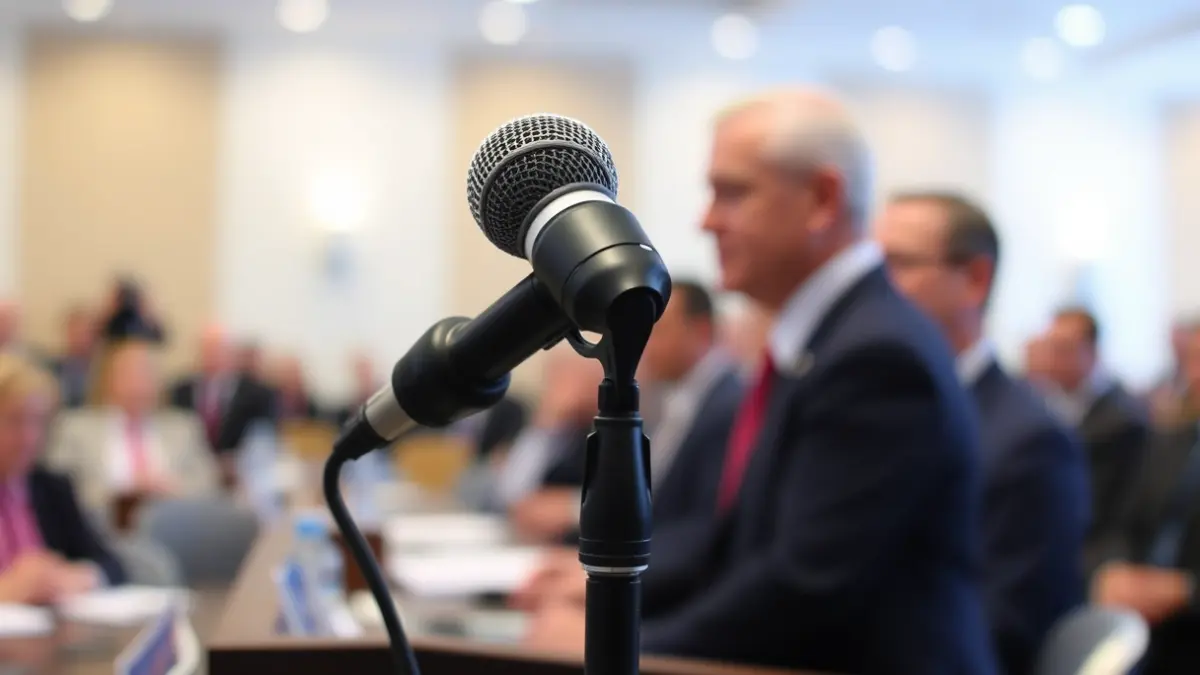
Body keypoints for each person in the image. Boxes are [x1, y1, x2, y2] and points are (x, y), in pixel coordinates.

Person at [528, 88, 995, 673]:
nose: (707, 220)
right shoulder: (834, 337)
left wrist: (628, 646)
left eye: (733, 192)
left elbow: (805, 586)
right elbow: (735, 542)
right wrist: (613, 583)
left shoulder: (876, 356)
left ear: (823, 200)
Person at [877, 191, 1090, 675]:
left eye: (899, 265)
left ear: (974, 279)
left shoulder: (1031, 440)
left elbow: (1004, 628)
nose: (877, 288)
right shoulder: (882, 410)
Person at [512, 281, 743, 615]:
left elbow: (706, 529)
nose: (644, 345)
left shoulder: (727, 404)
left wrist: (610, 572)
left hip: (676, 600)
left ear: (701, 331)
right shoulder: (685, 400)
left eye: (657, 332)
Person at [1092, 326, 1200, 673]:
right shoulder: (1172, 441)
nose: (1195, 375)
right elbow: (1121, 522)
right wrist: (1113, 569)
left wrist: (1187, 592)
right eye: (1190, 361)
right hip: (1141, 629)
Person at [0, 353, 125, 603]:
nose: (29, 437)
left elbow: (112, 565)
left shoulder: (51, 487)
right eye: (15, 420)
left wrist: (75, 577)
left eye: (38, 422)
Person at [45, 340, 218, 516]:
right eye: (128, 374)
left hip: (174, 524)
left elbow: (209, 484)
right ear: (108, 380)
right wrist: (123, 491)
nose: (137, 383)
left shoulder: (184, 427)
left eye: (146, 374)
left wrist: (172, 488)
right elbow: (57, 490)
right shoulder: (75, 427)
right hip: (102, 526)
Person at [1039, 307, 1149, 570]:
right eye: (1050, 347)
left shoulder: (1122, 421)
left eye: (1063, 349)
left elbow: (1115, 516)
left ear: (1092, 352)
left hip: (1092, 555)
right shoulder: (1042, 404)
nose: (1052, 359)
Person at [169, 323, 276, 455]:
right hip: (193, 469)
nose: (212, 356)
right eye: (207, 349)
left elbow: (263, 441)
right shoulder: (181, 391)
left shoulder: (258, 395)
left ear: (231, 352)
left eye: (218, 349)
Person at [48, 305, 98, 409]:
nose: (80, 337)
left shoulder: (103, 369)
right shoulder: (53, 368)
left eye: (85, 332)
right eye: (76, 330)